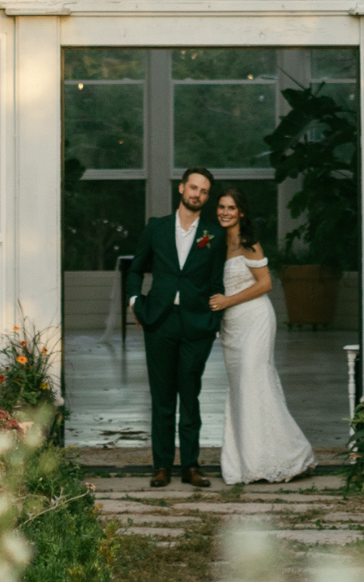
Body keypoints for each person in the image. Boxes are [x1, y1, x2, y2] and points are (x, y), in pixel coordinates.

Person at [208, 186, 316, 485]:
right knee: (240, 387)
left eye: (230, 208)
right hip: (231, 326)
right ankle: (246, 459)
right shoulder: (216, 242)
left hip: (255, 318)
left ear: (241, 212)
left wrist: (228, 300)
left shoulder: (248, 243)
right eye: (220, 207)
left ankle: (283, 456)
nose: (224, 212)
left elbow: (266, 283)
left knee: (255, 380)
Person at [128, 167, 222, 487]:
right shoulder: (157, 228)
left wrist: (215, 319)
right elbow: (135, 269)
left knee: (190, 396)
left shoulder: (213, 234)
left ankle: (191, 466)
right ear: (181, 188)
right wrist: (135, 304)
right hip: (160, 321)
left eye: (204, 191)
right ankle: (162, 466)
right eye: (193, 187)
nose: (197, 194)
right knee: (163, 397)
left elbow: (218, 279)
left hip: (198, 325)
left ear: (207, 197)